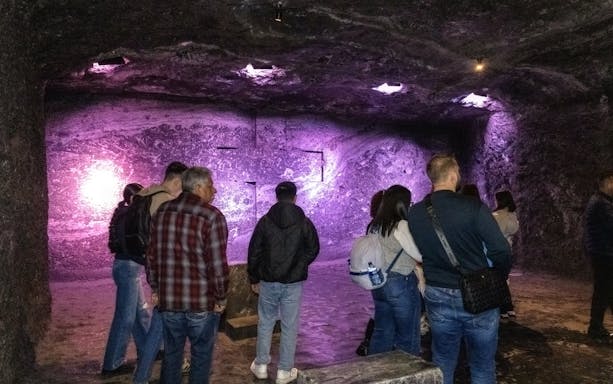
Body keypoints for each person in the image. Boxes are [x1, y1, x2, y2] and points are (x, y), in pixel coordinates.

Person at [408, 154, 512, 384]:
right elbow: (501, 250)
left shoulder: (414, 213)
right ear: (454, 175)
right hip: (479, 293)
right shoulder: (473, 207)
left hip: (437, 292)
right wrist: (499, 275)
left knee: (443, 359)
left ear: (431, 178)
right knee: (483, 365)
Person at [147, 166, 229, 384]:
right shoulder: (212, 216)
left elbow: (152, 255)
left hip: (170, 301)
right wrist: (221, 297)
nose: (214, 191)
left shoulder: (162, 212)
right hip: (201, 302)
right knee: (201, 356)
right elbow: (217, 264)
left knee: (172, 355)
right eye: (211, 186)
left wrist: (155, 287)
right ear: (199, 187)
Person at [248, 181, 320, 384]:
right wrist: (299, 264)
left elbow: (254, 252)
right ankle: (284, 371)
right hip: (293, 283)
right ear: (295, 197)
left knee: (265, 322)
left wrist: (254, 278)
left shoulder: (264, 221)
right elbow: (314, 248)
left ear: (276, 197)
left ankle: (261, 365)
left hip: (268, 281)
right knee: (290, 325)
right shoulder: (304, 221)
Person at [133, 161, 189, 384]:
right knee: (162, 326)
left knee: (160, 325)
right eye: (183, 185)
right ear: (176, 181)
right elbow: (166, 244)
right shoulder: (163, 202)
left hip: (158, 272)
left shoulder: (146, 195)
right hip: (167, 274)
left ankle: (145, 376)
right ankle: (144, 376)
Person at [366, 184, 423, 357]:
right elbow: (419, 255)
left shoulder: (374, 226)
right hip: (400, 283)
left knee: (382, 332)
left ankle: (376, 373)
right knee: (408, 336)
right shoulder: (401, 225)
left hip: (378, 283)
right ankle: (407, 374)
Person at [101, 183, 151, 376]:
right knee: (125, 317)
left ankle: (148, 350)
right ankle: (112, 364)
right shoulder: (129, 215)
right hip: (128, 267)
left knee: (139, 312)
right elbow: (131, 243)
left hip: (126, 267)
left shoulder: (122, 213)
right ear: (133, 198)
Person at [583, 172, 613, 342]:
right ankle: (595, 327)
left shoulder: (602, 201)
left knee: (606, 290)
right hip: (604, 253)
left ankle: (596, 327)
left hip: (602, 251)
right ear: (607, 182)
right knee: (603, 290)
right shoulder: (601, 203)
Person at [355, 190, 385, 356]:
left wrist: (374, 278)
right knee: (383, 311)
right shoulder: (387, 227)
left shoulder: (372, 225)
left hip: (376, 275)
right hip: (386, 275)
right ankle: (373, 344)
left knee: (379, 310)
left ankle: (369, 342)